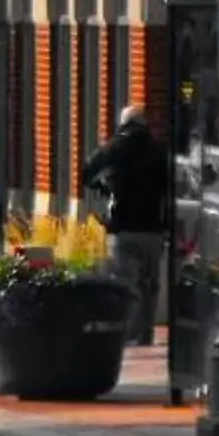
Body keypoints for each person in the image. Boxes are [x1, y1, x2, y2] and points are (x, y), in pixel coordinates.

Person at [84, 104, 171, 344]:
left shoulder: (114, 148)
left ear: (123, 124)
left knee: (127, 284)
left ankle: (130, 335)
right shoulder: (159, 151)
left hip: (123, 226)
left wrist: (104, 188)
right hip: (153, 227)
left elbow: (86, 171)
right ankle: (146, 333)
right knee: (150, 285)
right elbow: (172, 187)